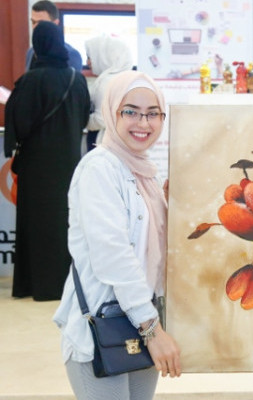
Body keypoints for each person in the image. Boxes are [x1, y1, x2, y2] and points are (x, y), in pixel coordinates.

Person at [53, 70, 181, 399]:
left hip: (141, 321)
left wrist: (175, 207)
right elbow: (114, 256)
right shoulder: (99, 168)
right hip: (105, 327)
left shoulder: (145, 173)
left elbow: (157, 253)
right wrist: (152, 330)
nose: (143, 123)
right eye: (131, 112)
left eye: (153, 113)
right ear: (112, 113)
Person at [4, 21, 90, 301]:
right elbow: (84, 118)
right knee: (66, 221)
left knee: (35, 223)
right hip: (68, 164)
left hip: (37, 166)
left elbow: (19, 123)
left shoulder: (30, 81)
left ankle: (33, 284)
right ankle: (65, 285)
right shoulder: (76, 79)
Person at [84, 35, 134, 150]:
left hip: (102, 142)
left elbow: (101, 120)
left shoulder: (107, 82)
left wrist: (79, 122)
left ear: (105, 56)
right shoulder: (128, 79)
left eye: (90, 57)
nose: (88, 62)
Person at [26, 1, 83, 72]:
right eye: (33, 22)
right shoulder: (31, 52)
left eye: (41, 23)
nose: (35, 27)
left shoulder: (71, 55)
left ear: (55, 23)